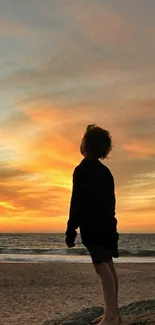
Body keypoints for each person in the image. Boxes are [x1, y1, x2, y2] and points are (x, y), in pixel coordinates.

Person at [65, 124, 120, 325]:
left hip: (93, 227)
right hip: (107, 225)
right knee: (109, 266)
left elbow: (76, 201)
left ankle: (109, 318)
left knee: (101, 268)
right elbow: (111, 203)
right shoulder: (106, 172)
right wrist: (112, 226)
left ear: (87, 145)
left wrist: (71, 229)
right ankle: (113, 313)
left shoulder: (81, 170)